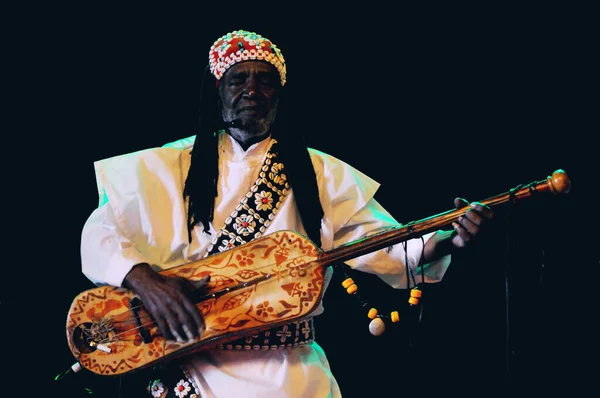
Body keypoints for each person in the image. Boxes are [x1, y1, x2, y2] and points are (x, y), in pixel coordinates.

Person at [80, 29, 494, 398]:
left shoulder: (320, 173)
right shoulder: (165, 165)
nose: (252, 89)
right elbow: (98, 236)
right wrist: (144, 280)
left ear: (281, 93)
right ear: (218, 90)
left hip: (291, 376)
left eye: (266, 80)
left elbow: (391, 248)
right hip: (192, 367)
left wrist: (450, 238)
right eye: (238, 78)